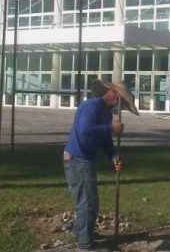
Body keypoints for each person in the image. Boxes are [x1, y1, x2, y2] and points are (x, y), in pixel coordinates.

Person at [63, 81, 124, 250]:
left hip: (86, 159)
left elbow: (105, 140)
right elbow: (85, 129)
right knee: (87, 202)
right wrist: (110, 127)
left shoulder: (106, 112)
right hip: (77, 158)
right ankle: (84, 244)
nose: (119, 100)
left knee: (91, 202)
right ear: (109, 92)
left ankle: (82, 231)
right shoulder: (91, 106)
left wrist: (113, 156)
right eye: (117, 95)